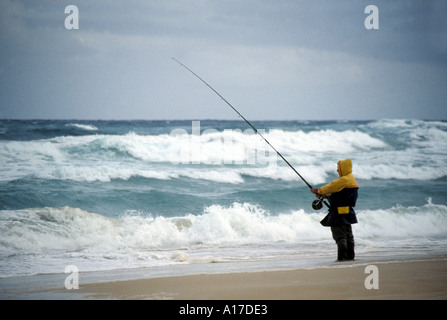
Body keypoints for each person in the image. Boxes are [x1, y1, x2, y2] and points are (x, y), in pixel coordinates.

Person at [311, 159, 359, 261]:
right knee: (348, 236)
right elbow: (341, 195)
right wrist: (326, 195)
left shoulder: (344, 180)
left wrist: (318, 190)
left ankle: (341, 259)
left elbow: (331, 186)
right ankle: (350, 258)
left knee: (340, 237)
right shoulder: (351, 179)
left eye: (339, 168)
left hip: (338, 213)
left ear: (343, 168)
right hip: (347, 212)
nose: (337, 170)